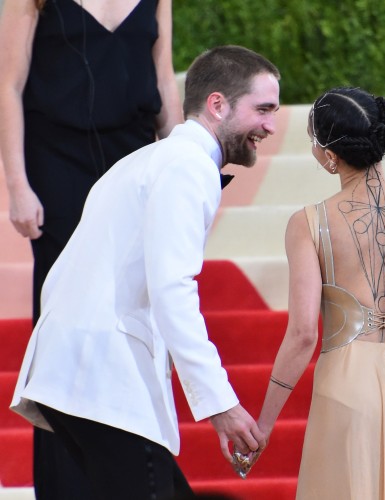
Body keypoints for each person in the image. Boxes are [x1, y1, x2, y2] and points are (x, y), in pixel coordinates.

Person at [10, 44, 280, 500]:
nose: (271, 125)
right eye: (263, 109)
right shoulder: (187, 166)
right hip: (104, 379)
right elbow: (172, 289)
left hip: (73, 374)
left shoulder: (141, 161)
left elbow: (63, 273)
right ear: (218, 104)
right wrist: (221, 404)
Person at [0, 0, 183, 497]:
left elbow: (164, 79)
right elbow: (9, 86)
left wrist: (186, 161)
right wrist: (17, 186)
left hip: (134, 158)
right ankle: (67, 486)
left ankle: (140, 472)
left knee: (135, 314)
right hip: (56, 161)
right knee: (66, 325)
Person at [243, 87, 385, 499]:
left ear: (330, 156)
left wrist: (265, 424)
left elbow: (304, 334)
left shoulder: (309, 223)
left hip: (347, 384)